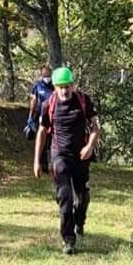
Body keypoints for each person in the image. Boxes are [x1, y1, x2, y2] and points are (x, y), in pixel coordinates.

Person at [34, 66, 100, 254]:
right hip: (59, 155)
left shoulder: (83, 101)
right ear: (55, 87)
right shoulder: (48, 104)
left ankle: (80, 221)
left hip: (81, 156)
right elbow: (42, 132)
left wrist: (90, 146)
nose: (64, 90)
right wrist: (37, 161)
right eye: (60, 87)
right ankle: (69, 240)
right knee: (65, 197)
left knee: (83, 198)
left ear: (73, 85)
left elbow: (95, 128)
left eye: (67, 86)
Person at [25, 64, 54, 172]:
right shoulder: (37, 86)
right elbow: (33, 101)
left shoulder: (55, 86)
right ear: (41, 74)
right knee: (42, 139)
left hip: (53, 117)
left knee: (50, 141)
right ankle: (42, 163)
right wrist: (30, 117)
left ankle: (51, 162)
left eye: (48, 74)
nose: (46, 76)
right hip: (41, 116)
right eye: (44, 74)